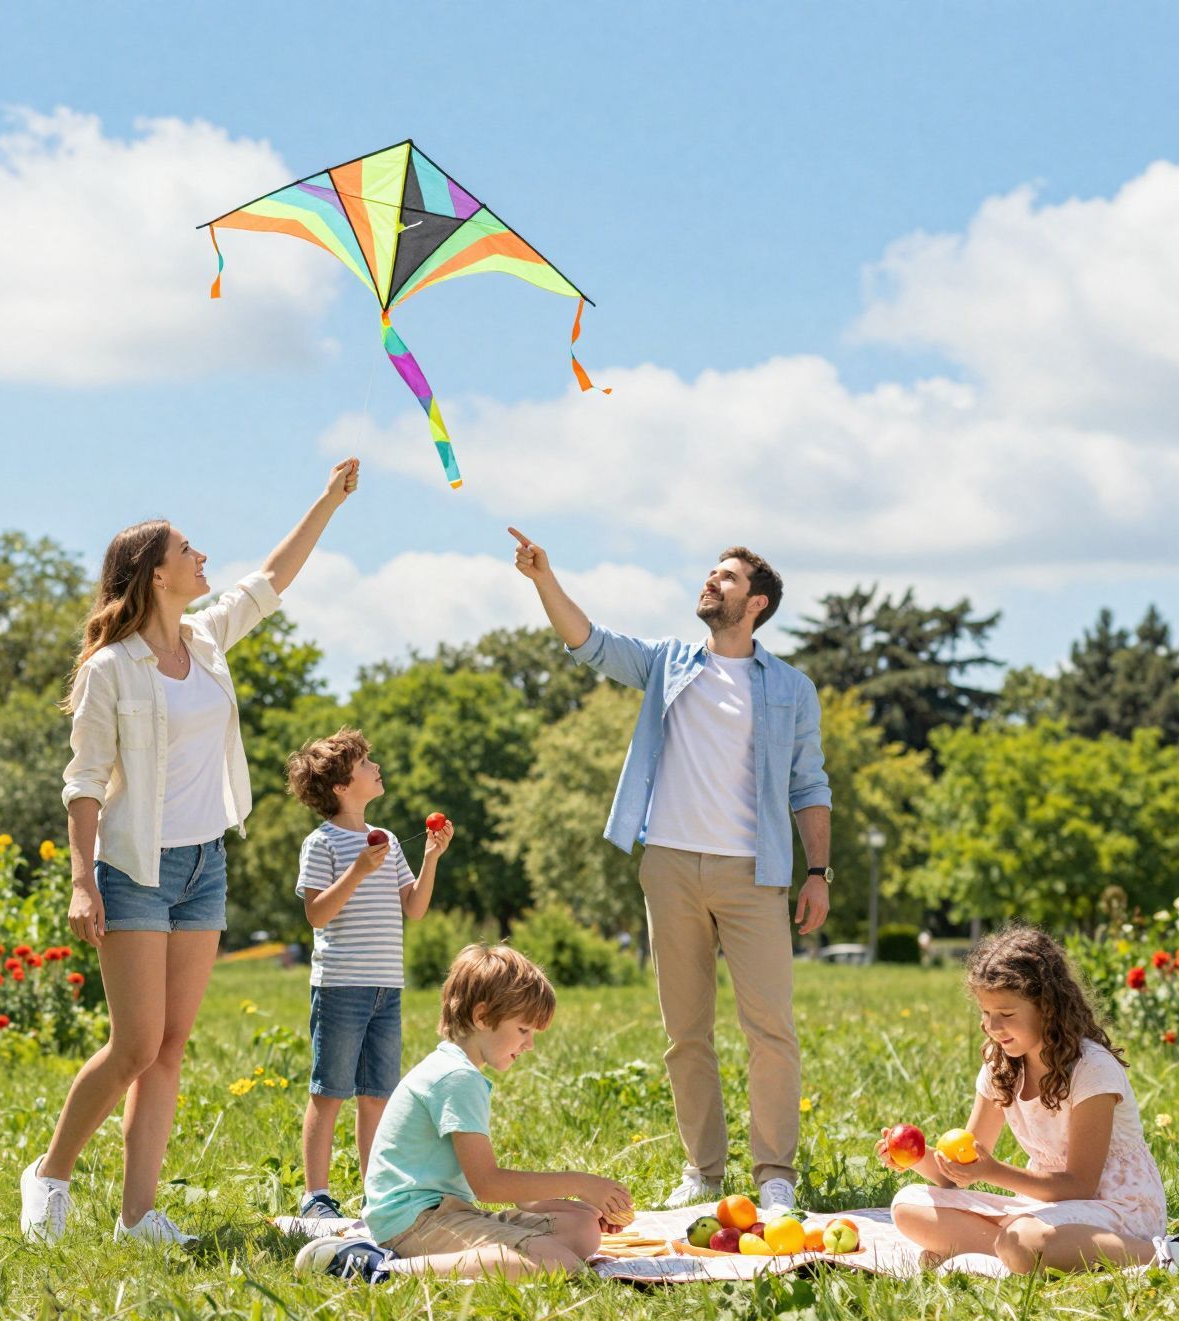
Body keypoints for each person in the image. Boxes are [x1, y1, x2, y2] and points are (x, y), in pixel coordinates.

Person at [21, 458, 361, 1247]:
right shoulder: (109, 669)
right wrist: (81, 880)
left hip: (206, 864)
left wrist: (328, 500)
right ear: (154, 572)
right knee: (134, 1044)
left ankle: (138, 1217)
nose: (203, 558)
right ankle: (51, 1173)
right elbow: (83, 782)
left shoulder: (206, 642)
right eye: (188, 549)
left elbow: (272, 578)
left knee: (170, 1049)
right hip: (136, 870)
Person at [509, 529, 830, 1213]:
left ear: (757, 602)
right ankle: (703, 1172)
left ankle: (775, 1172)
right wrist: (544, 578)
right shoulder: (666, 663)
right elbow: (589, 643)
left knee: (769, 1028)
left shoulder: (792, 689)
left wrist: (819, 872)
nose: (711, 582)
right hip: (671, 866)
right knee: (685, 1031)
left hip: (756, 872)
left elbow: (810, 786)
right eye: (711, 573)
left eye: (727, 578)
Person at [888, 927, 1179, 1273]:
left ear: (1047, 1009)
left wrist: (993, 1171)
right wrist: (916, 1158)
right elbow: (958, 1176)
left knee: (1023, 1241)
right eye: (986, 1014)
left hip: (1119, 1211)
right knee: (907, 1206)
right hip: (1049, 1209)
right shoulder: (1000, 1068)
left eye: (1006, 1014)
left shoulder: (1091, 1068)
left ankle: (1175, 1252)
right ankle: (1016, 1252)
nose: (993, 1027)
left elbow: (1080, 1184)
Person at [295, 945, 635, 1282]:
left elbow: (485, 1188)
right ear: (482, 1016)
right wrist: (579, 1182)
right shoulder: (458, 1078)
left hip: (443, 1211)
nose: (529, 1045)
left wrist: (573, 1205)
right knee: (559, 1263)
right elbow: (487, 1184)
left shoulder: (456, 1068)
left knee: (583, 1228)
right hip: (414, 1224)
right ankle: (381, 1268)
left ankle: (497, 1253)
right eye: (523, 1030)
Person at [286, 728, 456, 1219]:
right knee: (329, 1091)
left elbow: (415, 908)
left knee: (377, 1094)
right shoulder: (323, 844)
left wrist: (430, 858)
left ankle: (375, 1191)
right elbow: (317, 914)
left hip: (387, 988)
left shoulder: (384, 843)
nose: (375, 767)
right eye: (365, 763)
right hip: (341, 987)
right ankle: (316, 1197)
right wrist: (358, 870)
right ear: (341, 786)